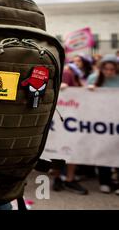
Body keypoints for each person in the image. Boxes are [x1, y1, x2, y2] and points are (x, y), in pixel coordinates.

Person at [52, 63, 89, 195]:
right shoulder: (66, 73)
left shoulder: (74, 75)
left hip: (71, 119)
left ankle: (65, 179)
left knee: (69, 150)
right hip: (62, 119)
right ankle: (64, 178)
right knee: (60, 150)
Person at [87, 54, 119, 195]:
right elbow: (83, 96)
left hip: (116, 121)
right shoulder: (94, 78)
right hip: (100, 122)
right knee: (103, 151)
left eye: (112, 69)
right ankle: (105, 181)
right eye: (106, 69)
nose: (109, 72)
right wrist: (89, 90)